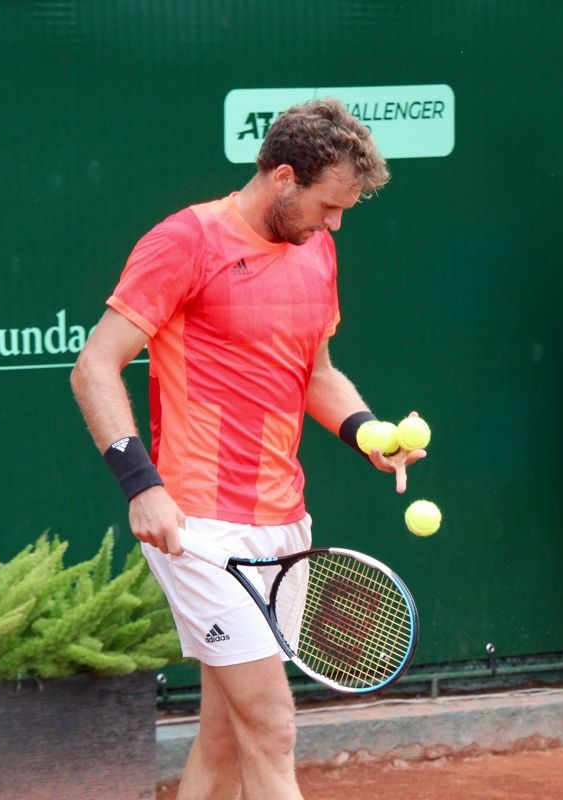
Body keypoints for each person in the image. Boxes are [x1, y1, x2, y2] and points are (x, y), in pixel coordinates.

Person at [70, 98, 422, 798]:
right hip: (199, 523)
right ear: (284, 177)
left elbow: (316, 374)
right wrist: (141, 485)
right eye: (329, 205)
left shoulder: (314, 247)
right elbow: (94, 366)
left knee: (228, 733)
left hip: (284, 521)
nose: (336, 223)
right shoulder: (187, 241)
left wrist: (365, 432)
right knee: (272, 726)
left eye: (346, 209)